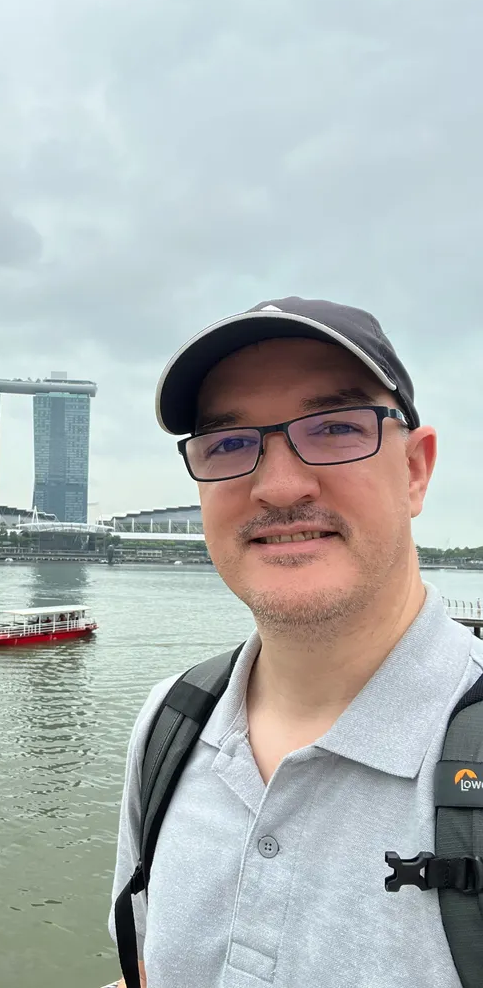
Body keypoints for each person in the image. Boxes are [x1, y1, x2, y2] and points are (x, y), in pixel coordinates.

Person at [106, 296, 483, 988]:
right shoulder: (170, 724)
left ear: (416, 470)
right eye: (228, 443)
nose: (278, 487)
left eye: (336, 426)